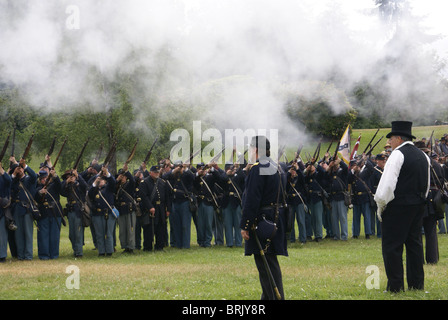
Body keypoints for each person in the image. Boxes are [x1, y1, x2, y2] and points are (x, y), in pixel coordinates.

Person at [374, 121, 430, 293]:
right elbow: (427, 185)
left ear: (398, 138)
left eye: (391, 138)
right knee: (415, 246)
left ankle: (395, 287)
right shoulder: (423, 156)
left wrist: (381, 205)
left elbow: (387, 186)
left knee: (392, 247)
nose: (389, 142)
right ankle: (416, 284)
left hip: (398, 206)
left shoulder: (397, 155)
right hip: (418, 205)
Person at [240, 135, 288, 300]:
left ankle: (274, 297)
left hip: (262, 220)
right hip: (274, 218)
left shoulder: (258, 167)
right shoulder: (276, 166)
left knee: (266, 265)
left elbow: (252, 199)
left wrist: (245, 225)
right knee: (269, 263)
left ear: (256, 149)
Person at [162, 161, 195, 249]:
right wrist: (174, 171)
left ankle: (185, 245)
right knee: (176, 225)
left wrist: (186, 168)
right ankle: (178, 244)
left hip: (184, 201)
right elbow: (164, 177)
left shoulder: (186, 175)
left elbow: (193, 177)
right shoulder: (172, 175)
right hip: (175, 201)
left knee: (185, 225)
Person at [9, 157, 37, 260]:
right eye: (18, 168)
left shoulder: (29, 179)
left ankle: (28, 255)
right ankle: (20, 256)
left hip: (27, 209)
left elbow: (34, 176)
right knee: (18, 234)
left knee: (28, 234)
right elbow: (8, 186)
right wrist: (14, 174)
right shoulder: (14, 181)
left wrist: (24, 165)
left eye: (21, 168)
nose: (19, 169)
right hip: (17, 209)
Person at [35, 159, 63, 260]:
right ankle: (44, 255)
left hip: (55, 212)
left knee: (54, 236)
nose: (44, 180)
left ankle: (54, 255)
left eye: (46, 178)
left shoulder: (54, 185)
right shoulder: (37, 188)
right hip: (43, 214)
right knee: (43, 236)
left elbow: (61, 187)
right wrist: (40, 193)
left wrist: (55, 175)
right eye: (42, 179)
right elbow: (35, 197)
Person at [139, 165, 172, 251]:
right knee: (149, 229)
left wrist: (168, 209)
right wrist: (150, 207)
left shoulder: (162, 182)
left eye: (158, 172)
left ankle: (160, 246)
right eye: (155, 172)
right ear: (150, 173)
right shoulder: (144, 182)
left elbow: (167, 197)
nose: (157, 174)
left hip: (161, 208)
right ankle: (148, 247)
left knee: (160, 228)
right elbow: (144, 197)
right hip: (150, 208)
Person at [88, 166, 116, 256]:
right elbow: (90, 194)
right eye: (100, 180)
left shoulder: (109, 188)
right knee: (99, 234)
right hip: (97, 214)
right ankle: (101, 251)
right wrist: (95, 183)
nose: (101, 182)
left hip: (108, 213)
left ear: (105, 181)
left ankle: (109, 251)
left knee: (109, 234)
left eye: (102, 180)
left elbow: (113, 182)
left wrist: (106, 172)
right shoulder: (94, 189)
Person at [61, 169, 89, 258]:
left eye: (71, 176)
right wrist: (66, 182)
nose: (69, 178)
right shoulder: (67, 186)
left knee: (78, 233)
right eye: (68, 177)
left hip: (78, 211)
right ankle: (75, 250)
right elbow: (61, 191)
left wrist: (78, 176)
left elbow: (85, 186)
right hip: (70, 211)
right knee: (71, 235)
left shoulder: (79, 185)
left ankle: (79, 252)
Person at [221, 162, 245, 247]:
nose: (232, 170)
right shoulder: (225, 176)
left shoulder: (238, 176)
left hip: (236, 201)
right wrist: (227, 174)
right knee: (228, 224)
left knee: (238, 224)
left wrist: (238, 168)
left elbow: (242, 177)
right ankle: (229, 243)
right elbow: (221, 178)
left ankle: (238, 242)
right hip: (227, 202)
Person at [115, 163, 136, 253]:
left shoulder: (129, 184)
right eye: (120, 176)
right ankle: (125, 246)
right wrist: (117, 180)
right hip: (121, 210)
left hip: (129, 209)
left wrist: (127, 171)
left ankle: (130, 247)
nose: (122, 178)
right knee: (122, 230)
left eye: (123, 176)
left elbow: (133, 181)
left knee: (130, 229)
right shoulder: (117, 186)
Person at [369, 153, 387, 238]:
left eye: (384, 160)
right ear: (377, 161)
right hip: (377, 194)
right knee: (378, 214)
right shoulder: (374, 171)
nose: (384, 161)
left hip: (385, 194)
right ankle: (379, 233)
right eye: (382, 160)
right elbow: (371, 183)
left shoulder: (386, 170)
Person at [0, 163, 12, 262]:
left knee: (2, 235)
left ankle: (2, 255)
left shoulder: (4, 179)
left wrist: (1, 170)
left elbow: (9, 180)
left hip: (2, 210)